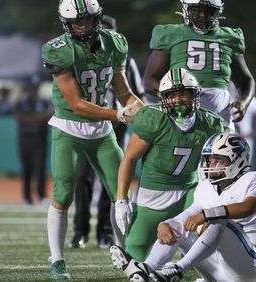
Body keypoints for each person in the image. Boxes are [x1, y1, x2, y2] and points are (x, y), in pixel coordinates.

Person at [41, 0, 143, 279]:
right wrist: (119, 115)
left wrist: (143, 112)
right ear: (66, 23)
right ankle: (57, 260)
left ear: (97, 18)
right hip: (69, 129)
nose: (82, 26)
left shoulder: (115, 42)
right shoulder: (58, 50)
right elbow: (77, 104)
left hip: (101, 132)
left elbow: (124, 91)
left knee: (123, 195)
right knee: (63, 194)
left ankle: (126, 254)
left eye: (86, 20)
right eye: (76, 22)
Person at [110, 132, 256, 282]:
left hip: (249, 267)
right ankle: (145, 268)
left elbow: (249, 207)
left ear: (238, 161)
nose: (212, 163)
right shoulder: (206, 186)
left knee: (218, 218)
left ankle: (178, 269)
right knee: (175, 227)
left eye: (219, 159)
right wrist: (166, 224)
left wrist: (206, 214)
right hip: (216, 268)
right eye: (210, 159)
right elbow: (187, 216)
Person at [113, 67, 226, 262]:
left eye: (184, 94)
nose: (178, 100)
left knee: (210, 227)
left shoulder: (210, 123)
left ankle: (196, 263)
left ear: (195, 95)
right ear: (164, 98)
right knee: (135, 249)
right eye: (172, 96)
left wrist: (215, 197)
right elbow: (129, 158)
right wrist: (121, 199)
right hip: (152, 194)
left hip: (189, 192)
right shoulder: (153, 119)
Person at [68, 14, 146, 250]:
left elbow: (137, 94)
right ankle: (80, 232)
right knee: (82, 178)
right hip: (87, 124)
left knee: (110, 180)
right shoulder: (79, 56)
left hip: (116, 125)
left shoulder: (123, 58)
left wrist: (140, 115)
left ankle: (105, 233)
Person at [143, 0, 255, 128]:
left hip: (219, 119)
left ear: (217, 12)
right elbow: (149, 81)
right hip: (180, 117)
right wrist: (175, 97)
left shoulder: (230, 38)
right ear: (186, 9)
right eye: (197, 10)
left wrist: (243, 103)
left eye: (209, 11)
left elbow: (246, 80)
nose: (202, 15)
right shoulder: (171, 34)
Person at [13, 81, 52, 206]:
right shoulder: (20, 102)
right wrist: (38, 118)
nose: (33, 90)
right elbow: (20, 117)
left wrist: (34, 118)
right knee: (27, 169)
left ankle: (41, 196)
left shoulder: (43, 102)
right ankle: (26, 197)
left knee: (40, 169)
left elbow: (48, 116)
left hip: (40, 139)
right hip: (25, 140)